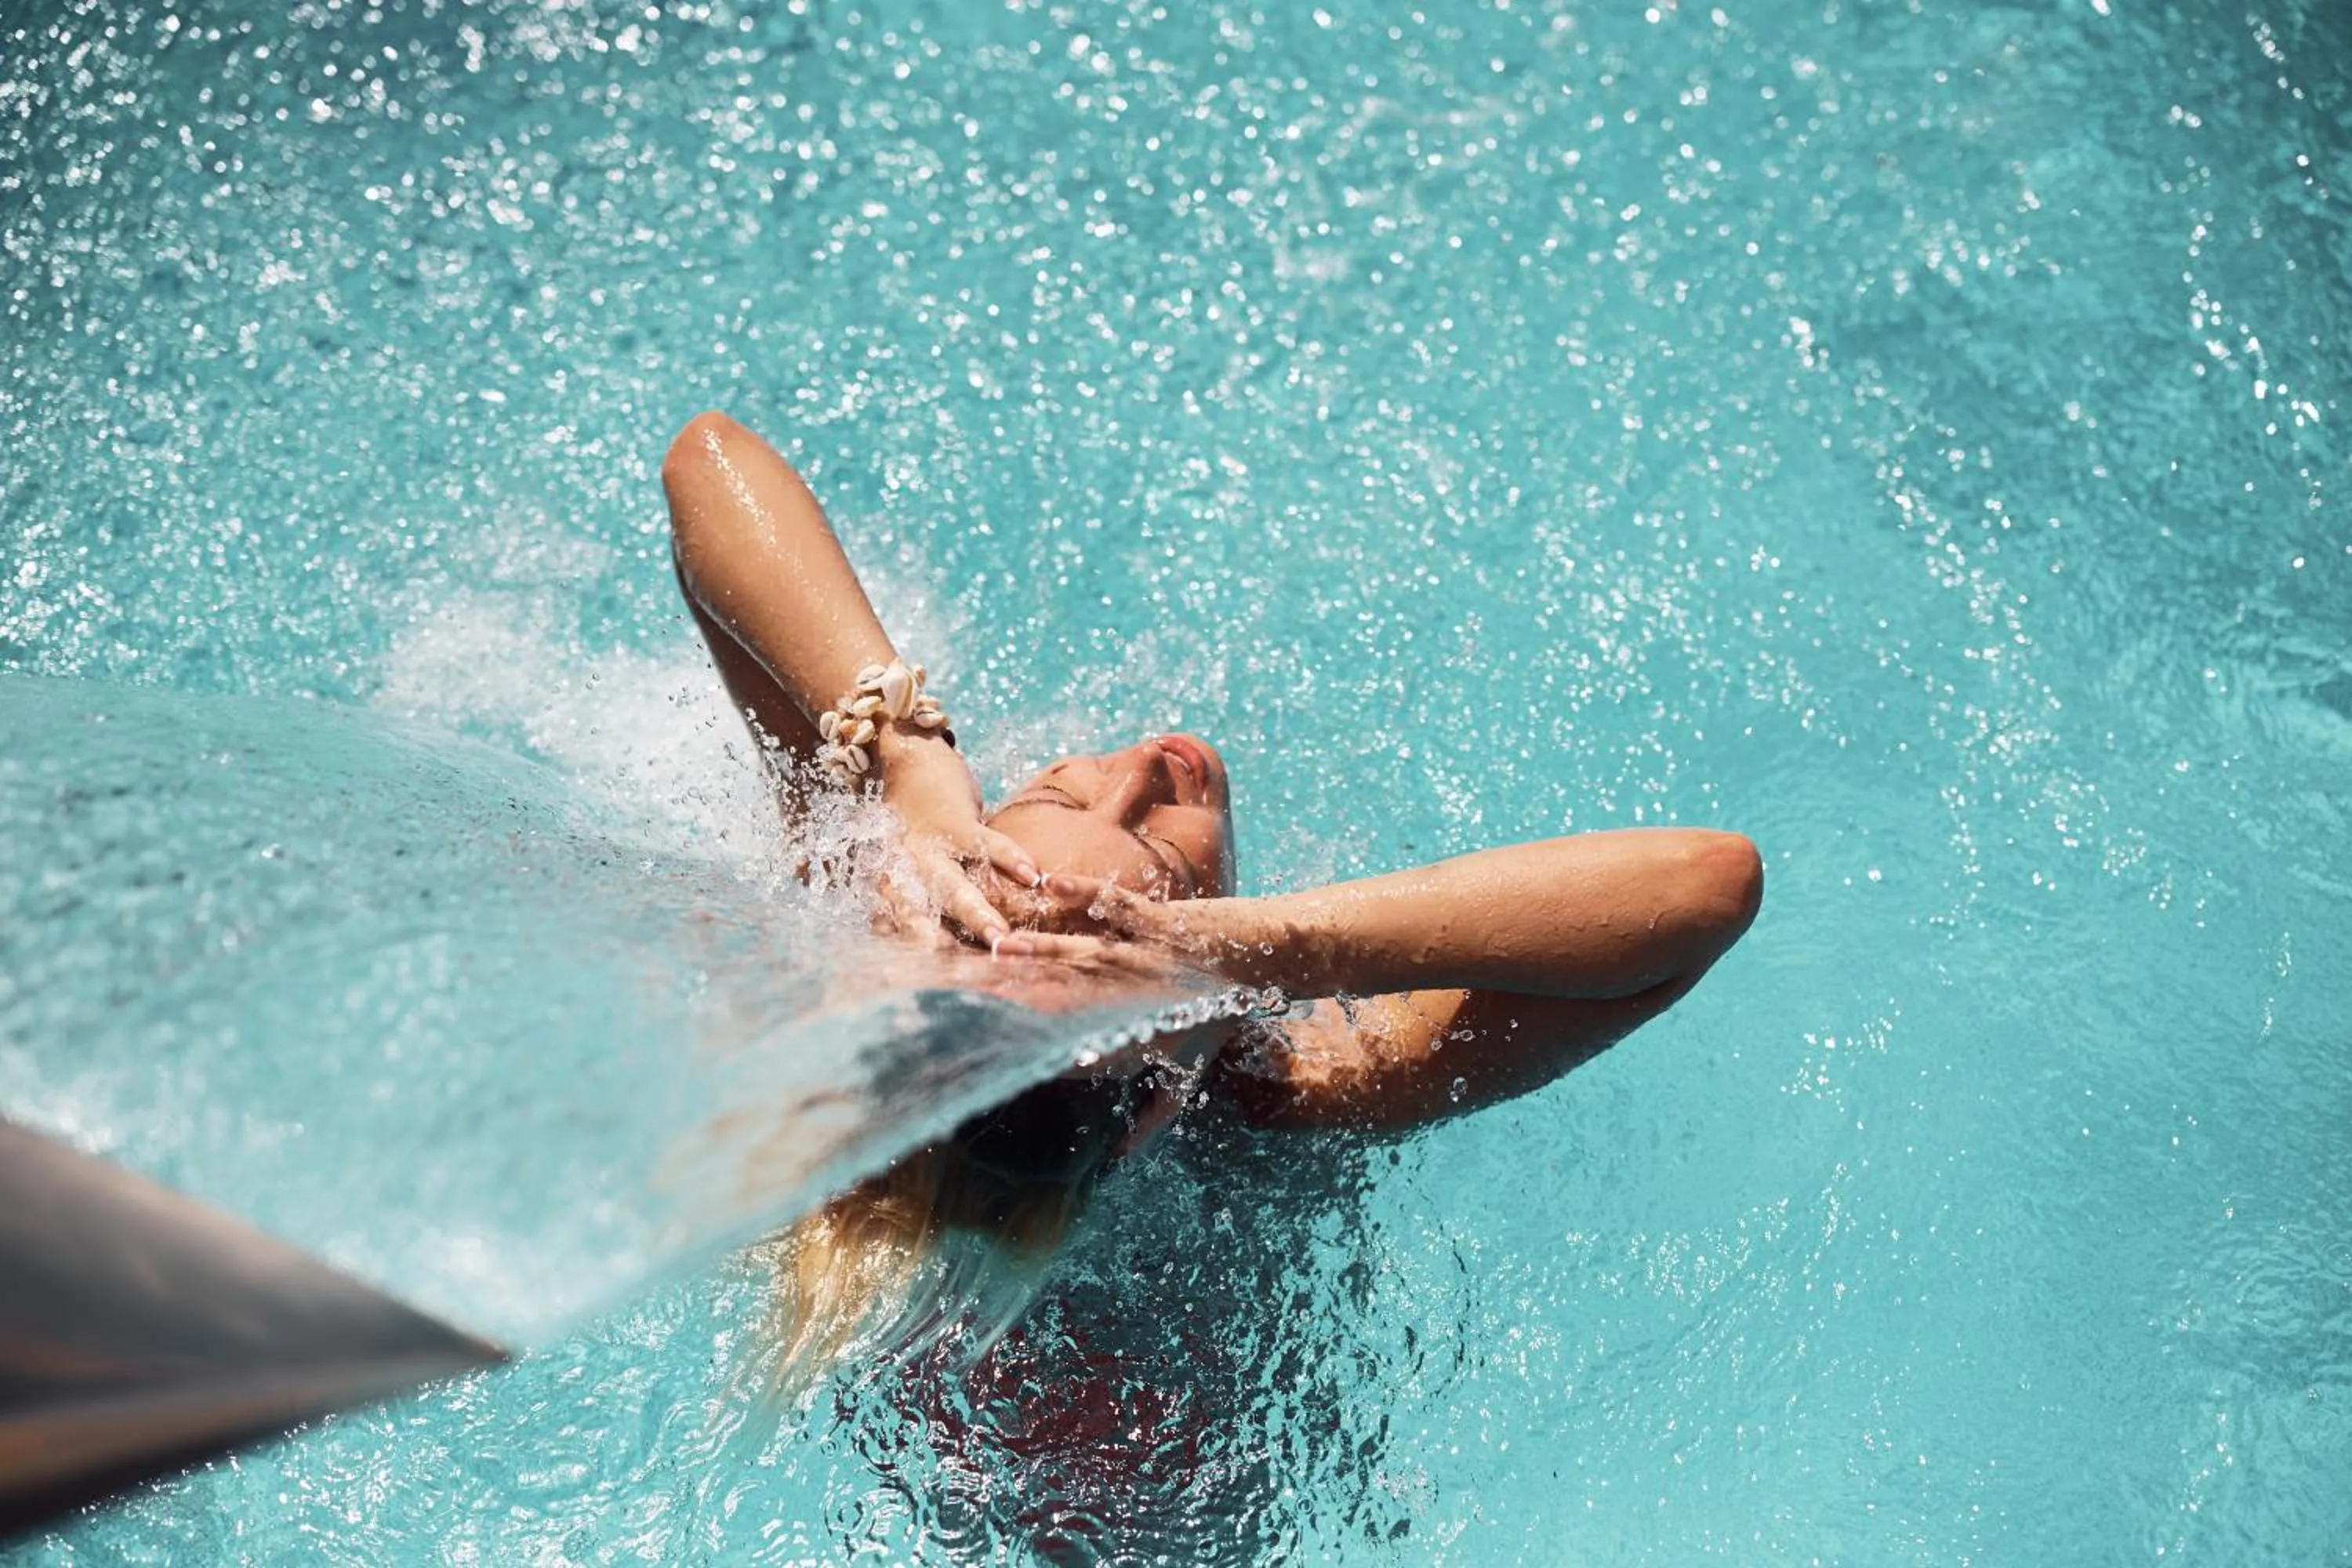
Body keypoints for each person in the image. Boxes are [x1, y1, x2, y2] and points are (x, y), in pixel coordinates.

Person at [661, 410, 1762, 1388]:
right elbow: (1706, 886)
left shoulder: (870, 917)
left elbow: (707, 463)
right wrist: (1248, 953)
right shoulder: (1273, 1095)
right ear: (1150, 1107)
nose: (1146, 769)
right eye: (1172, 865)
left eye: (1064, 789)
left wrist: (907, 759)